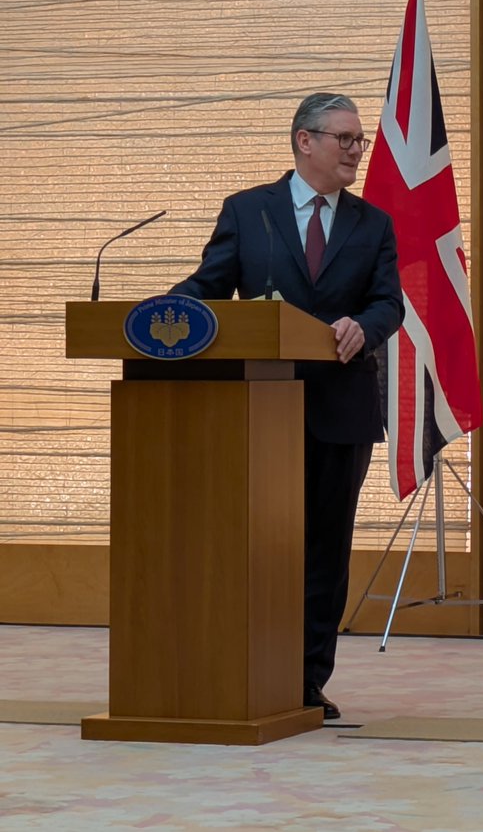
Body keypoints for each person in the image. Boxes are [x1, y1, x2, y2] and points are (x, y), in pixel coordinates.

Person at [171, 93, 404, 720]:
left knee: (324, 548)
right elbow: (209, 286)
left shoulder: (373, 223)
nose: (357, 150)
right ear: (305, 141)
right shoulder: (250, 211)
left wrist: (366, 324)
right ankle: (246, 665)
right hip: (257, 409)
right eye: (346, 139)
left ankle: (305, 680)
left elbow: (390, 302)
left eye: (359, 141)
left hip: (340, 407)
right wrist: (158, 313)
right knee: (259, 543)